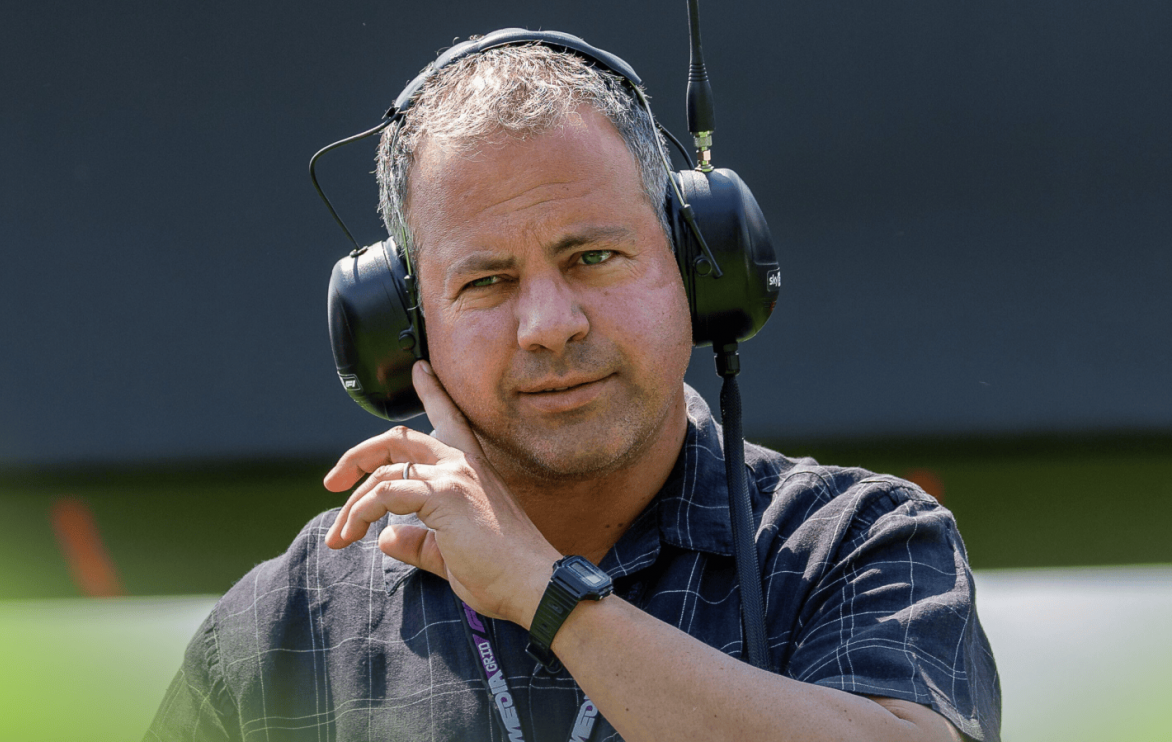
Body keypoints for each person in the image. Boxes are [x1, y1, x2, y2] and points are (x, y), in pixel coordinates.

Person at [147, 36, 1000, 742]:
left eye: (593, 256)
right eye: (486, 281)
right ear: (404, 329)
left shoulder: (856, 542)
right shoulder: (284, 626)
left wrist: (544, 590)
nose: (549, 325)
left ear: (697, 269)